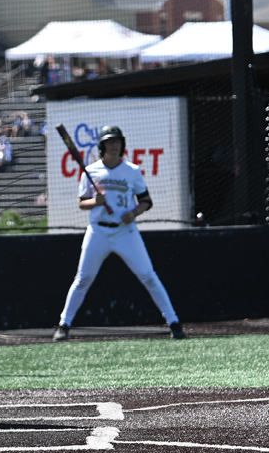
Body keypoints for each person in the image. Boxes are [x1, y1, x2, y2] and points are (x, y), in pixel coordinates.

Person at [52, 125, 186, 341]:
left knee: (148, 276)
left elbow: (146, 201)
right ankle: (63, 325)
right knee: (83, 278)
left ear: (122, 145)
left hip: (126, 232)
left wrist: (133, 213)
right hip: (98, 231)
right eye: (110, 142)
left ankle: (174, 322)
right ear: (102, 146)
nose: (114, 145)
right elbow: (81, 203)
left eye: (117, 141)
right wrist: (95, 201)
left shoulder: (132, 170)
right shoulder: (91, 171)